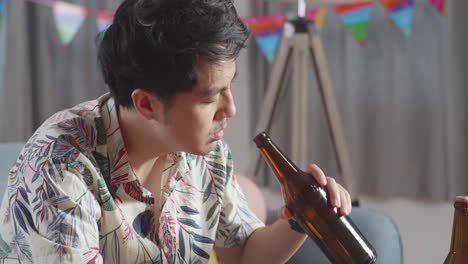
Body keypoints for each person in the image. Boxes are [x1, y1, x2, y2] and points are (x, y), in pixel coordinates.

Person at [0, 0, 352, 263]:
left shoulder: (205, 151)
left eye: (230, 87)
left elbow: (242, 254)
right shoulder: (59, 170)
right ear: (146, 104)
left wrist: (300, 220)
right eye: (210, 97)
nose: (231, 109)